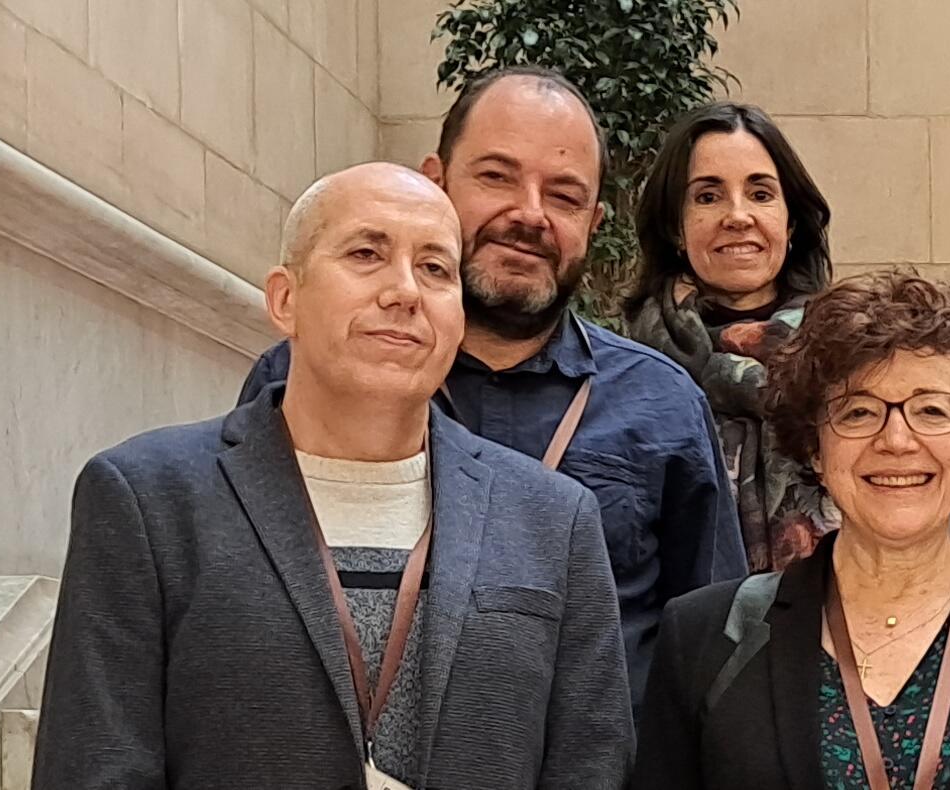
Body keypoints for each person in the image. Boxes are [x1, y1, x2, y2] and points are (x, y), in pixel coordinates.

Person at [41, 163, 631, 789]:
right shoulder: (148, 499)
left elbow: (590, 770)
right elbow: (94, 767)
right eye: (367, 253)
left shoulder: (553, 520)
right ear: (285, 299)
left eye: (434, 268)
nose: (404, 291)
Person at [244, 67, 750, 673]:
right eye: (496, 177)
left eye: (563, 195)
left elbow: (715, 652)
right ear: (436, 183)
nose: (529, 214)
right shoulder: (307, 377)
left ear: (592, 225)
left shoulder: (661, 404)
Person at [636, 272, 950, 790]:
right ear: (815, 449)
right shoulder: (707, 638)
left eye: (931, 410)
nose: (896, 440)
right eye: (859, 411)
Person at [611, 102, 838, 572]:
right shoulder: (627, 373)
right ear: (675, 226)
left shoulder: (850, 358)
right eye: (708, 197)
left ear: (791, 221)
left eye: (760, 194)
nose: (738, 216)